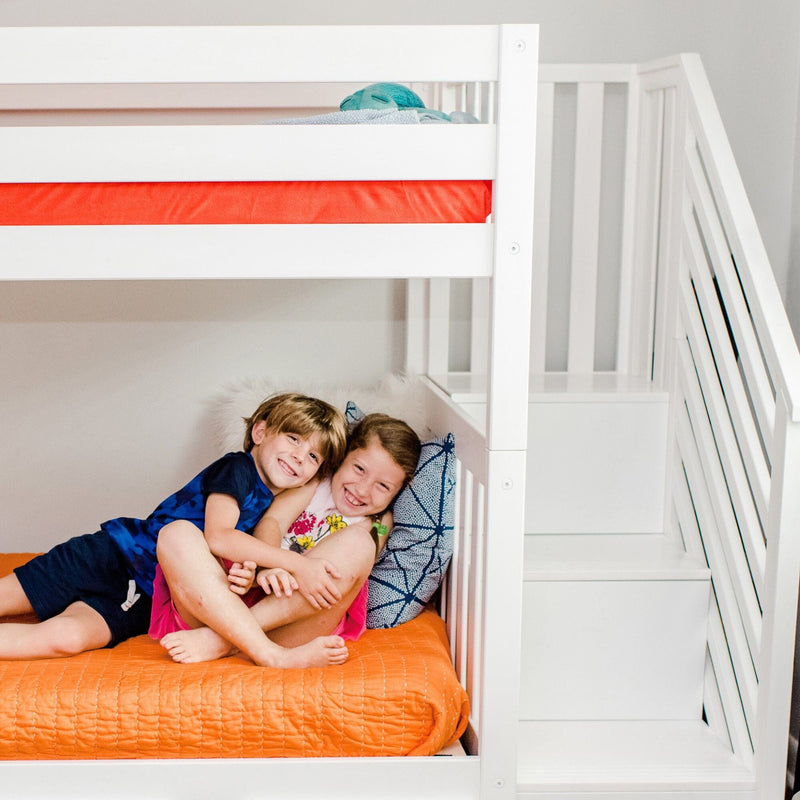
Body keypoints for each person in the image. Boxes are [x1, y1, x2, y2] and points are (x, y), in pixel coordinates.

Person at [0, 392, 347, 665]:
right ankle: (271, 657)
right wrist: (297, 563)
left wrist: (246, 573)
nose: (301, 456)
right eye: (293, 439)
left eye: (314, 457)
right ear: (259, 431)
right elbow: (219, 536)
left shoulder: (269, 509)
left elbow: (214, 561)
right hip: (109, 555)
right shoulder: (237, 469)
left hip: (143, 593)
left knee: (65, 639)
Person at [153, 413, 421, 665]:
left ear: (396, 492)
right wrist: (273, 567)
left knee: (360, 544)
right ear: (341, 459)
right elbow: (273, 522)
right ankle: (251, 644)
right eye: (359, 469)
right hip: (227, 604)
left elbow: (350, 572)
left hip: (296, 622)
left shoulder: (380, 522)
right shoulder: (316, 483)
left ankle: (221, 640)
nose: (362, 489)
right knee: (176, 533)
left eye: (383, 486)